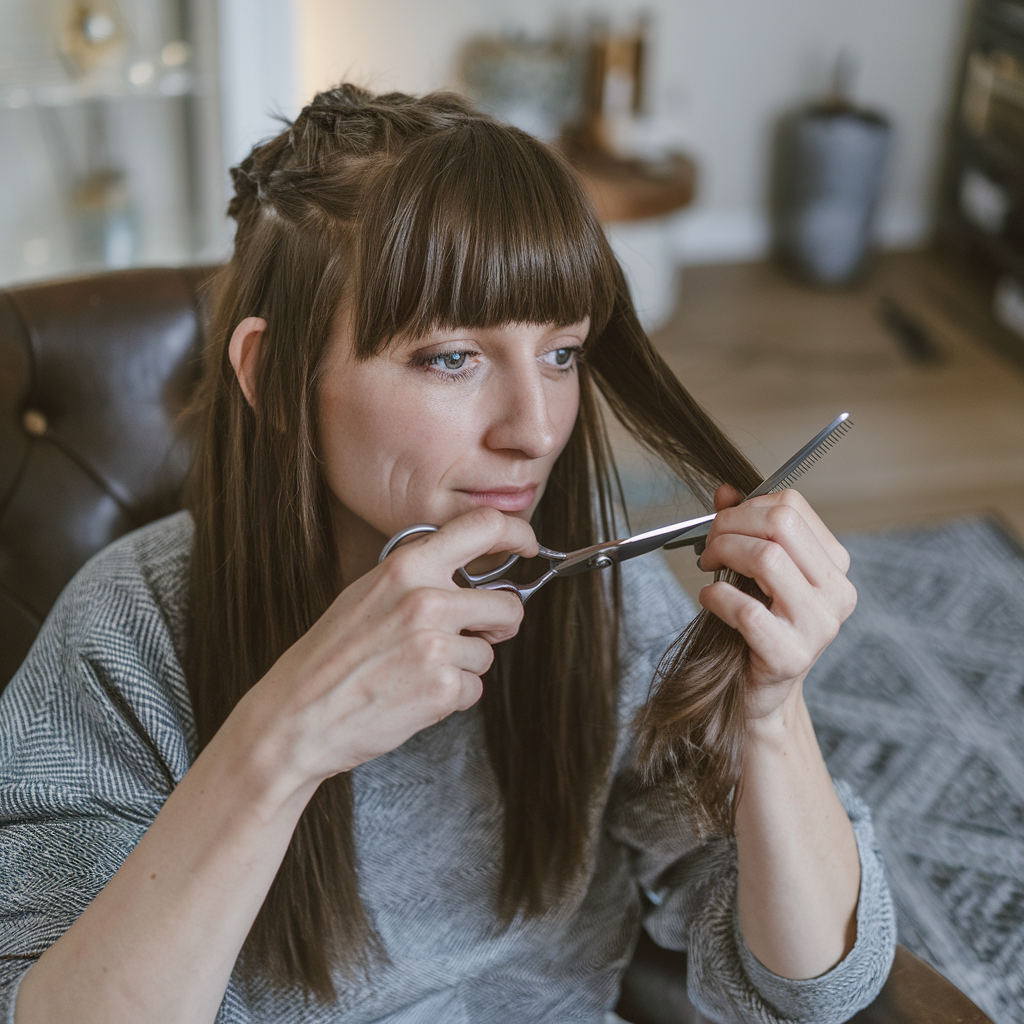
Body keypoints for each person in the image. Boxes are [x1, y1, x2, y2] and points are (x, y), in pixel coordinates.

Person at [0, 86, 895, 1024]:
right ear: (272, 374)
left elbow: (815, 988)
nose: (537, 429)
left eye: (561, 353)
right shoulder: (125, 634)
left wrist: (771, 713)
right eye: (451, 358)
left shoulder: (597, 592)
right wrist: (285, 740)